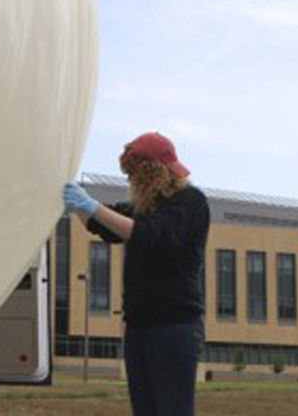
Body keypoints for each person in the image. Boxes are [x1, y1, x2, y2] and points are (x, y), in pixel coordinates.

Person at [62, 132, 209, 416]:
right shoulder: (144, 207)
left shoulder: (190, 202)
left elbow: (151, 235)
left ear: (153, 173)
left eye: (133, 174)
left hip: (174, 328)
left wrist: (91, 206)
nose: (130, 182)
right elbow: (105, 226)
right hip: (139, 328)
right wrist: (79, 207)